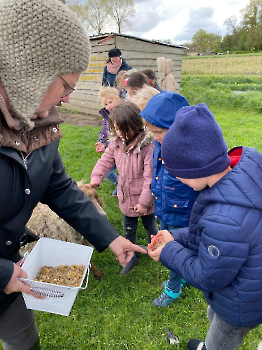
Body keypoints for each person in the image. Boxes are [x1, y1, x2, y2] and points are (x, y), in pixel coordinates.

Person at [0, 1, 145, 350]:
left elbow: (60, 188)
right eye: (65, 85)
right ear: (27, 71)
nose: (67, 99)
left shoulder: (39, 126)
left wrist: (110, 238)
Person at [148, 103, 262, 350]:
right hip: (243, 284)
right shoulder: (238, 176)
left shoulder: (224, 218)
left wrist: (168, 252)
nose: (176, 178)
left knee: (222, 337)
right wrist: (174, 236)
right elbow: (214, 238)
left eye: (178, 173)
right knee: (215, 314)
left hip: (241, 305)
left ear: (196, 168)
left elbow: (207, 275)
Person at [87, 101, 158, 275]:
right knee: (128, 227)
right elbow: (105, 161)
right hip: (126, 197)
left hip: (145, 199)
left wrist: (143, 203)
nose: (119, 133)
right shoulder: (116, 143)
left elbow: (151, 179)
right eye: (116, 129)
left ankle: (156, 248)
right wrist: (96, 178)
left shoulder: (148, 147)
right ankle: (131, 255)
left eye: (123, 129)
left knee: (151, 225)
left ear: (135, 125)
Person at [140, 91, 197, 307]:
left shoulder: (187, 151)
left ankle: (173, 288)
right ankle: (184, 275)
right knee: (171, 243)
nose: (154, 137)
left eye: (158, 132)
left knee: (171, 249)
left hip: (182, 210)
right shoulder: (161, 143)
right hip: (165, 206)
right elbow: (157, 171)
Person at [96, 87, 120, 196]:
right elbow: (104, 130)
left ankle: (123, 186)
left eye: (110, 102)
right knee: (108, 172)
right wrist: (101, 141)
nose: (109, 106)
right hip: (111, 149)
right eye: (106, 104)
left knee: (125, 170)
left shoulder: (123, 113)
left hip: (122, 148)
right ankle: (119, 183)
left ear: (118, 99)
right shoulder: (106, 116)